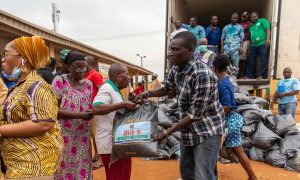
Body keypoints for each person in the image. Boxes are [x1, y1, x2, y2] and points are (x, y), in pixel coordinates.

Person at [137, 31, 225, 180]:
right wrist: (146, 94)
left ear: (190, 51)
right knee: (186, 172)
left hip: (207, 131)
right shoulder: (176, 68)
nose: (170, 53)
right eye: (170, 49)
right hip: (188, 130)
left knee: (203, 175)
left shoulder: (202, 74)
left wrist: (166, 133)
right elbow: (166, 88)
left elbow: (194, 115)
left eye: (175, 50)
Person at [0, 35, 63, 179]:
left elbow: (43, 123)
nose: (3, 59)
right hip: (18, 162)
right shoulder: (19, 86)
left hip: (34, 163)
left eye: (6, 54)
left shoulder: (37, 86)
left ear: (23, 58)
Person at [213, 55, 257, 180]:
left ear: (214, 68)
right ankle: (252, 176)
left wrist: (213, 115)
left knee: (213, 150)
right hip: (233, 119)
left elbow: (226, 106)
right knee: (238, 151)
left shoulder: (223, 84)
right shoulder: (226, 80)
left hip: (229, 120)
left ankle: (212, 176)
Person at [52, 51, 93, 179]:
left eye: (84, 67)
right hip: (64, 134)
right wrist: (80, 115)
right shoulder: (60, 81)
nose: (82, 70)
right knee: (64, 168)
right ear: (68, 67)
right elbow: (53, 109)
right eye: (78, 67)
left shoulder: (89, 84)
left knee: (83, 167)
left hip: (83, 135)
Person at [92, 63, 136, 180]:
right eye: (127, 74)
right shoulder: (106, 89)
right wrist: (124, 104)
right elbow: (96, 108)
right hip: (109, 145)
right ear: (117, 76)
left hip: (119, 143)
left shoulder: (116, 90)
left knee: (124, 174)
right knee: (116, 176)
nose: (129, 77)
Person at [85, 55, 104, 170]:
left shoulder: (95, 74)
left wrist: (99, 106)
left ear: (89, 63)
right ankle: (97, 155)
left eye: (84, 64)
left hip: (96, 110)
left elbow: (101, 90)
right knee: (94, 135)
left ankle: (101, 158)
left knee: (97, 135)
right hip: (90, 110)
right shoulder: (88, 75)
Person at [245, 12, 271, 80]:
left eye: (255, 16)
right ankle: (248, 75)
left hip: (262, 44)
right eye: (252, 17)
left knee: (263, 60)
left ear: (258, 17)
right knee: (251, 61)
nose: (253, 18)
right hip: (253, 45)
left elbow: (267, 29)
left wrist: (268, 39)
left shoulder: (262, 20)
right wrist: (249, 48)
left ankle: (261, 75)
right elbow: (251, 38)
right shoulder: (251, 27)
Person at [239, 12, 252, 78]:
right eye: (242, 16)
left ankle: (243, 74)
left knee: (244, 59)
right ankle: (239, 74)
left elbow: (251, 35)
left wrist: (249, 46)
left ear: (247, 16)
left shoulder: (250, 24)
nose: (243, 17)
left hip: (246, 42)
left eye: (245, 16)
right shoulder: (240, 24)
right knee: (239, 59)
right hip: (239, 42)